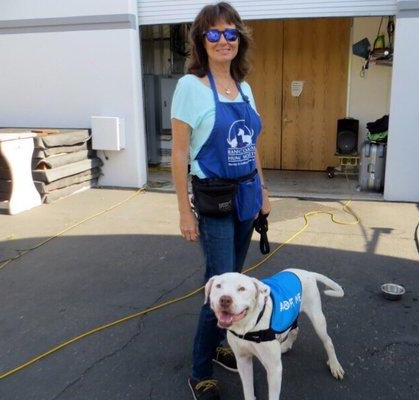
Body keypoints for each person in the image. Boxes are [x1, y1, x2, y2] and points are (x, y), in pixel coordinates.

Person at [170, 2, 271, 399]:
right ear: (201, 40)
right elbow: (179, 153)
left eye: (230, 33)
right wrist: (184, 211)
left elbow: (252, 146)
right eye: (213, 33)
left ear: (239, 39)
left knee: (236, 280)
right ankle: (199, 371)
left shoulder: (244, 88)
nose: (223, 40)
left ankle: (218, 343)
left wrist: (263, 190)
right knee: (217, 286)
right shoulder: (190, 87)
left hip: (246, 196)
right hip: (213, 201)